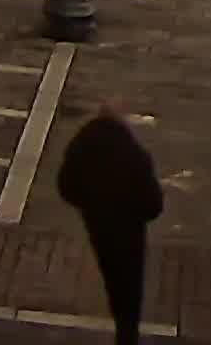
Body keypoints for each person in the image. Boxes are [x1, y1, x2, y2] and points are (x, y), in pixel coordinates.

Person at [55, 105, 165, 344]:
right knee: (131, 284)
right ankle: (127, 333)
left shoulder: (81, 146)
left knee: (112, 277)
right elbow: (154, 205)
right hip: (130, 231)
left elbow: (65, 185)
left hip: (98, 225)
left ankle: (122, 321)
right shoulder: (135, 155)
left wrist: (88, 204)